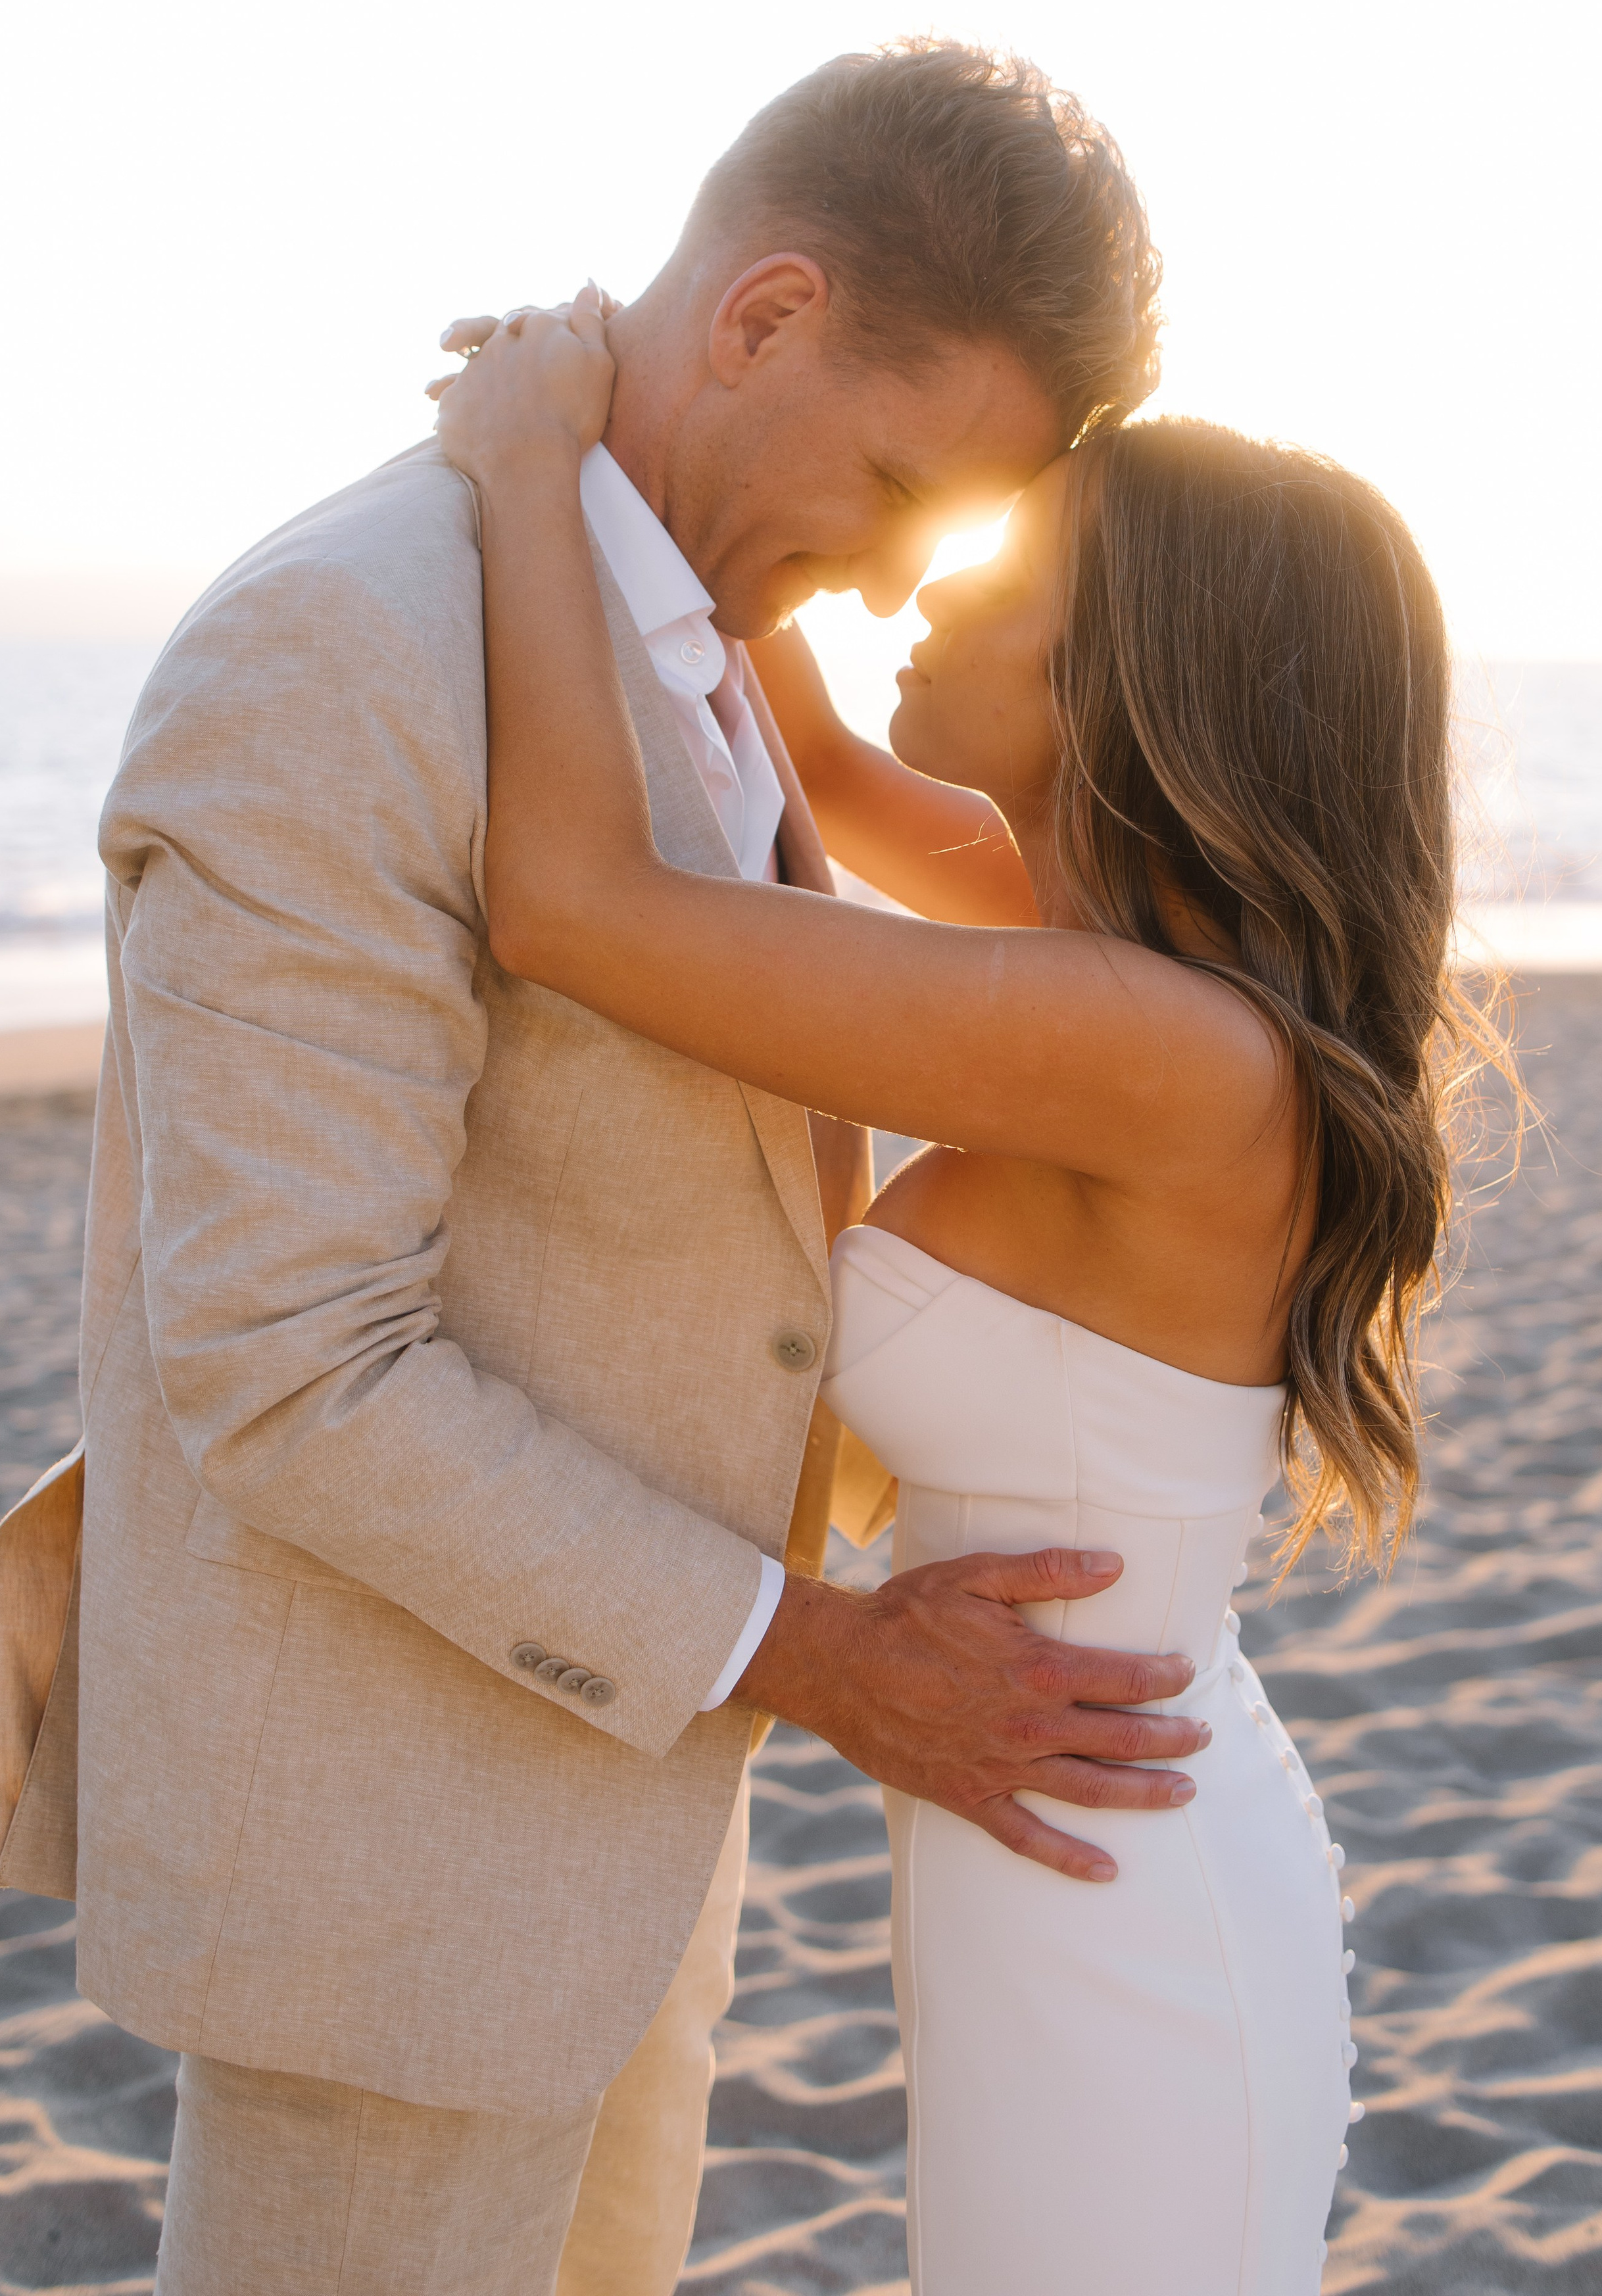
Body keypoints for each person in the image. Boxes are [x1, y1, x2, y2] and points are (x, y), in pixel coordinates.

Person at [0, 43, 1211, 2296]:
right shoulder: (343, 649)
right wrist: (819, 1654)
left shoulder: (703, 633)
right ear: (762, 316)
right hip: (388, 1874)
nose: (895, 569)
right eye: (903, 479)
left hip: (622, 1811)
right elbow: (283, 1360)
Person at [431, 289, 1512, 2293]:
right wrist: (679, 411)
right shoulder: (1107, 959)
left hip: (1121, 1896)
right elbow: (813, 751)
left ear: (1131, 664)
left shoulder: (1160, 1048)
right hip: (1071, 1837)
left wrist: (515, 461)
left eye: (1010, 560)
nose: (921, 583)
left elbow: (569, 905)